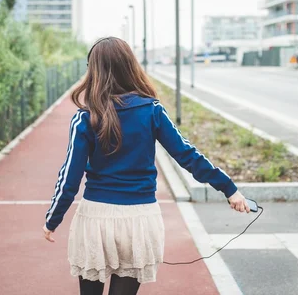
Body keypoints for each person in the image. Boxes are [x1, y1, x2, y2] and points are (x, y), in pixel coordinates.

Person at [43, 37, 249, 295]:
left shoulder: (85, 118)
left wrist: (53, 219)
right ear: (130, 66)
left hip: (96, 218)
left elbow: (69, 179)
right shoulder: (152, 111)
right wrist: (229, 189)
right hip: (139, 218)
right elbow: (187, 155)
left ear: (94, 70)